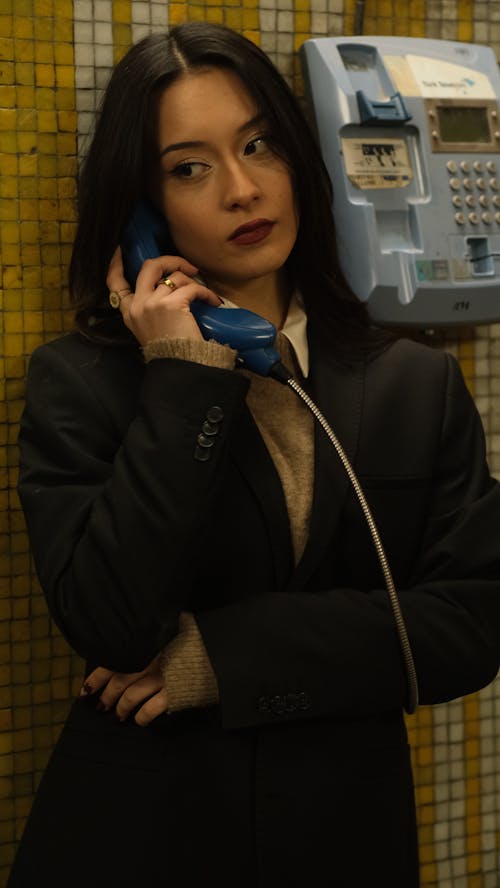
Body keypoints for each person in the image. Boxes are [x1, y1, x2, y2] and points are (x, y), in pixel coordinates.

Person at [7, 21, 500, 888]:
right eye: (190, 167)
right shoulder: (82, 385)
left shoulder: (411, 383)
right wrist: (186, 377)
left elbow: (470, 625)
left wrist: (225, 658)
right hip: (146, 836)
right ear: (142, 209)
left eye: (259, 144)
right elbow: (110, 625)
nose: (242, 190)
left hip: (346, 833)